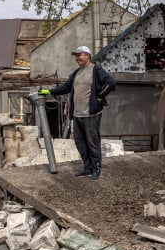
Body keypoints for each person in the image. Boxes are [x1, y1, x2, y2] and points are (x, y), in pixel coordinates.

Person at [39, 46, 115, 181]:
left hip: (91, 114)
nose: (77, 58)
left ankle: (96, 169)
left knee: (93, 143)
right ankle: (87, 168)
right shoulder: (76, 73)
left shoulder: (96, 70)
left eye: (79, 55)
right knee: (80, 143)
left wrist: (100, 96)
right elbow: (66, 88)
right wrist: (50, 92)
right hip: (77, 115)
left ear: (87, 55)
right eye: (76, 56)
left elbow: (110, 83)